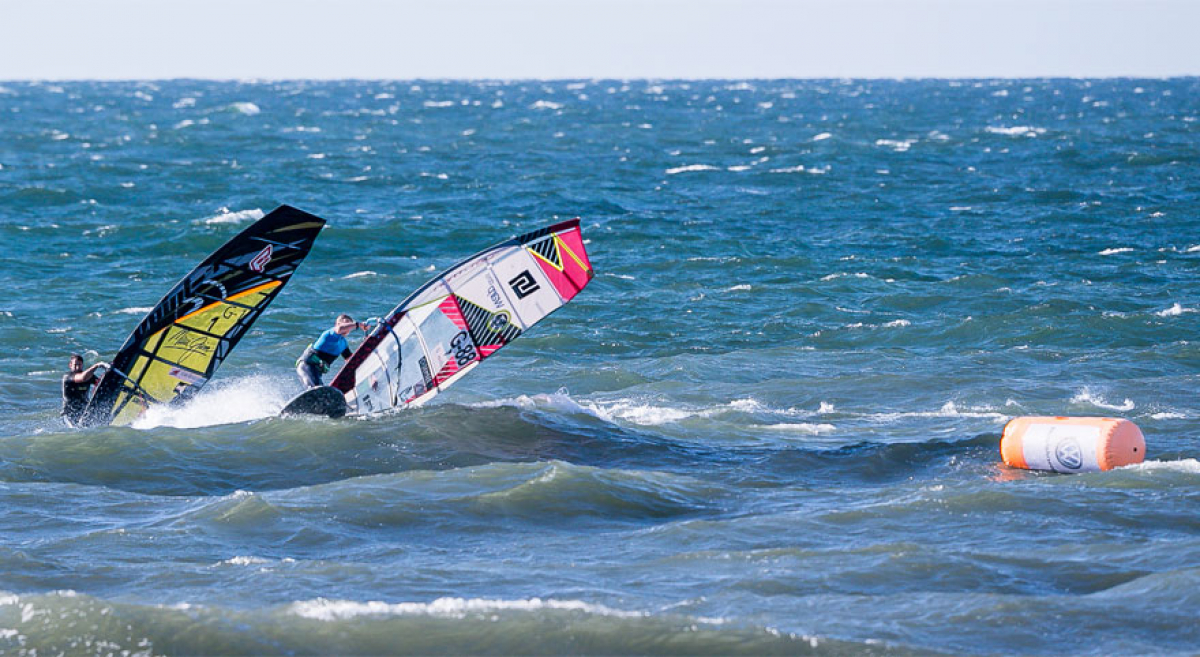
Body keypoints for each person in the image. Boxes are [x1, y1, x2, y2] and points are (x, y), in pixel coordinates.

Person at [296, 314, 369, 388]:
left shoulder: (343, 344)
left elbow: (352, 362)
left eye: (349, 324)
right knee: (315, 388)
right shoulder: (330, 333)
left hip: (317, 371)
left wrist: (370, 377)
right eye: (346, 323)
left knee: (322, 391)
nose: (348, 327)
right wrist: (358, 324)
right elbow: (339, 329)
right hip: (306, 365)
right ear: (337, 324)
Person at [62, 353, 108, 427]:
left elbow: (100, 384)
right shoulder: (67, 377)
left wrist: (108, 373)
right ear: (70, 365)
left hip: (84, 410)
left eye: (79, 365)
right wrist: (96, 365)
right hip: (70, 413)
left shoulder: (89, 376)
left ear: (82, 365)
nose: (77, 367)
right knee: (78, 430)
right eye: (75, 365)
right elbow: (82, 378)